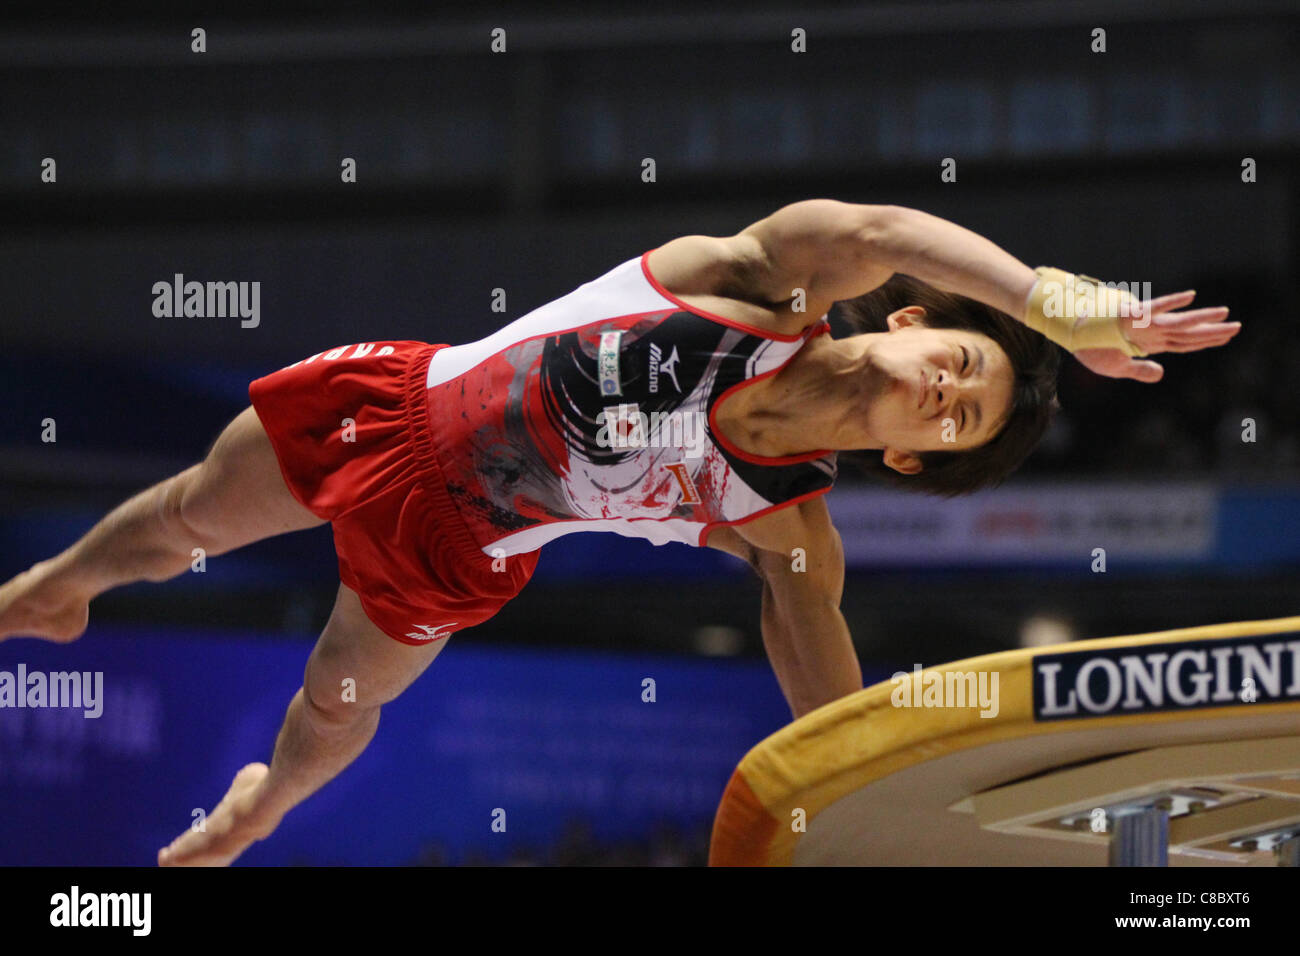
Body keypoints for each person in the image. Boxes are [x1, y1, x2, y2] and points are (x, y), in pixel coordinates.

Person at [0, 200, 1237, 865]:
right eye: (958, 360)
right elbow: (886, 228)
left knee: (334, 704)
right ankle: (54, 588)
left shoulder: (784, 522)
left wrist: (860, 806)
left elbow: (823, 696)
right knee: (181, 516)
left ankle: (254, 813)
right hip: (395, 405)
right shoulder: (754, 282)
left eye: (961, 419)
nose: (946, 388)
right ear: (916, 320)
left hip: (461, 544)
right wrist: (1047, 301)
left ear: (918, 455)